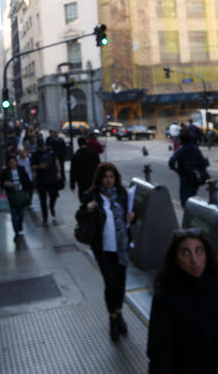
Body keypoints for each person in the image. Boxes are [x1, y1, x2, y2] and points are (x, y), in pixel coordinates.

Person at [147, 229, 218, 373]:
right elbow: (158, 348)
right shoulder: (166, 295)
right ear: (175, 258)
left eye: (198, 251)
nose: (194, 260)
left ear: (206, 254)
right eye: (186, 253)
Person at [75, 162, 136, 342]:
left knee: (121, 283)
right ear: (100, 178)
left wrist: (132, 217)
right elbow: (78, 217)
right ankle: (112, 319)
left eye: (112, 177)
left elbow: (131, 216)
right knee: (111, 283)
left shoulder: (123, 195)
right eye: (105, 177)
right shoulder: (92, 195)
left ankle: (119, 312)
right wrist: (87, 208)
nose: (109, 181)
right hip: (103, 249)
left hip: (122, 247)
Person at [168, 131, 210, 207]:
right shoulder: (195, 149)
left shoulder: (181, 150)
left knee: (184, 198)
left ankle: (188, 214)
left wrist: (176, 170)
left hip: (185, 176)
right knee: (193, 194)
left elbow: (171, 162)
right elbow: (202, 162)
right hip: (195, 177)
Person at [0, 155, 33, 240]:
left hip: (21, 194)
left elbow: (27, 181)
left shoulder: (21, 170)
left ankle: (20, 224)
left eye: (14, 162)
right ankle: (16, 232)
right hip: (12, 196)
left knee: (21, 213)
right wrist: (6, 183)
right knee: (14, 214)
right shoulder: (5, 172)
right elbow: (0, 182)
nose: (13, 164)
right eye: (11, 162)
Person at [31, 137, 63, 225]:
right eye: (40, 147)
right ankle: (45, 217)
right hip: (41, 180)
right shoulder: (35, 155)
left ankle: (52, 206)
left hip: (52, 178)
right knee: (43, 200)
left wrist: (59, 171)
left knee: (54, 195)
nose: (42, 148)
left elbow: (56, 161)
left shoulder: (50, 151)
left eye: (43, 146)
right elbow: (32, 166)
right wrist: (39, 167)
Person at [70, 136, 100, 200]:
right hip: (93, 178)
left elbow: (73, 171)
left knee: (83, 197)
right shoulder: (93, 153)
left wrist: (72, 185)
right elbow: (98, 166)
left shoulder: (76, 156)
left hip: (81, 180)